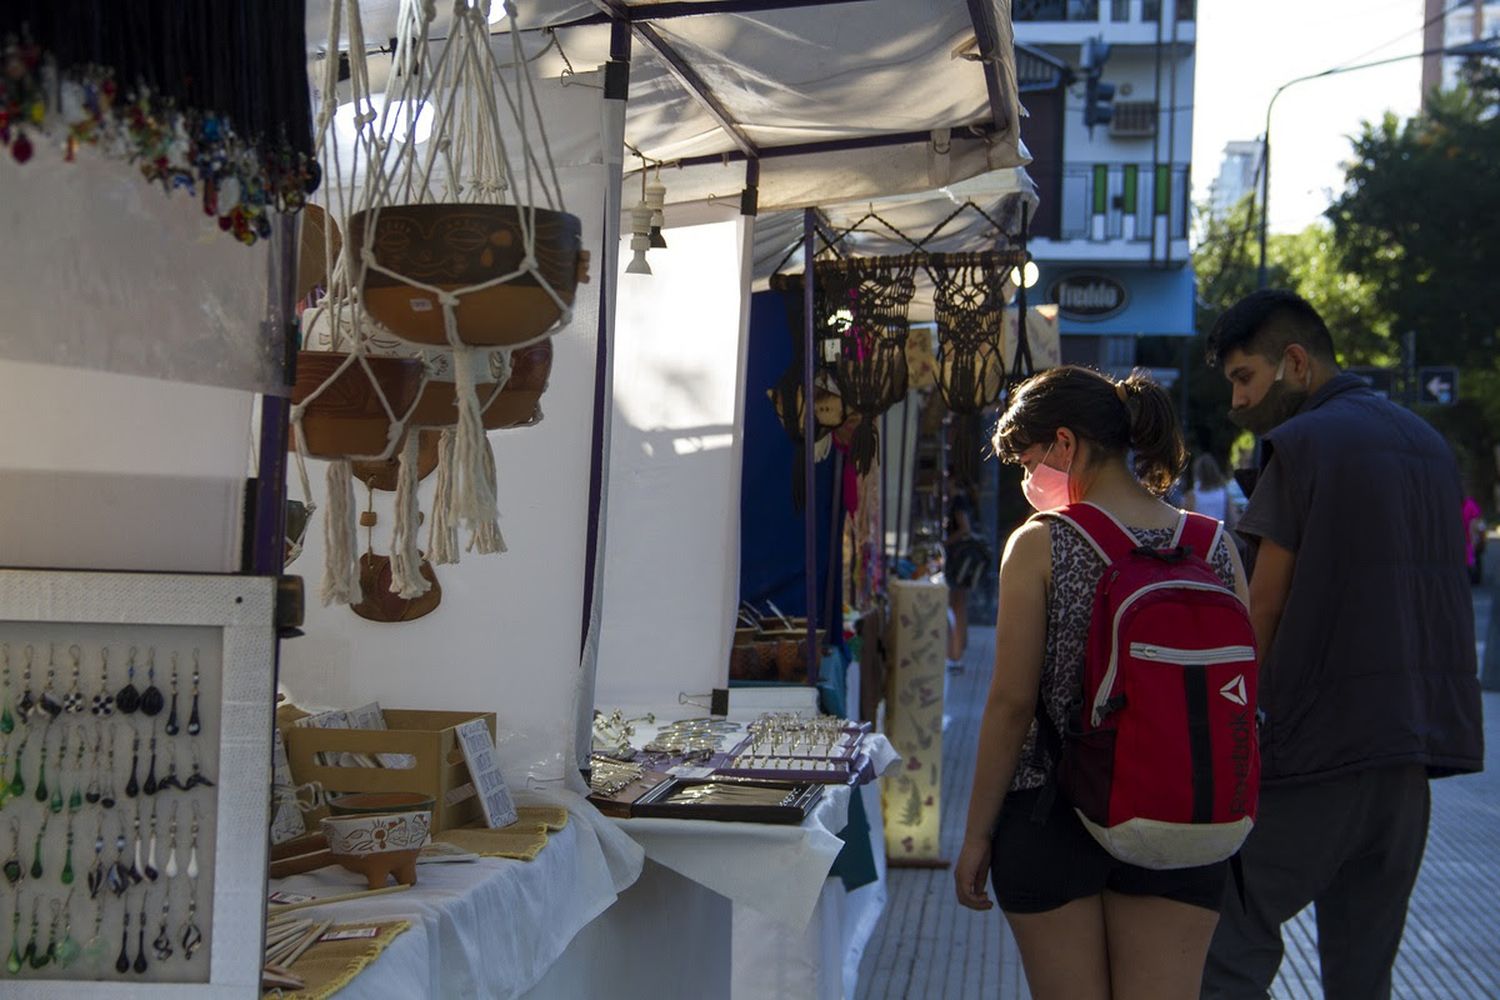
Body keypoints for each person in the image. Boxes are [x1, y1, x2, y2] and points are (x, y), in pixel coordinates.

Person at [1200, 289, 1484, 1000]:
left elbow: (1261, 610)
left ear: (1295, 363)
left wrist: (1224, 732)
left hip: (1316, 756)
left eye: (1244, 378)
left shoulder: (1303, 445)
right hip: (1408, 763)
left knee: (1225, 939)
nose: (1236, 402)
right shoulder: (1428, 445)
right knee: (1363, 977)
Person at [955, 366, 1249, 1000]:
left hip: (1052, 813)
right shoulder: (1214, 545)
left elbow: (1010, 706)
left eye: (1028, 459)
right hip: (1185, 816)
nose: (1028, 479)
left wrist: (976, 835)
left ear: (1066, 443)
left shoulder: (1040, 543)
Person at [944, 474, 988, 669]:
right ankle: (957, 650)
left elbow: (964, 528)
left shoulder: (958, 500)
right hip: (964, 560)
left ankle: (954, 653)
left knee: (956, 604)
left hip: (957, 559)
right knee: (959, 604)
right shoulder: (968, 500)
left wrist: (945, 542)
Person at [1184, 454, 1238, 534]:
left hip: (1199, 535)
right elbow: (1233, 518)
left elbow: (1185, 521)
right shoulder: (1224, 493)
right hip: (1219, 534)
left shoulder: (1192, 495)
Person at [1463, 489, 1486, 585]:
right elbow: (1479, 522)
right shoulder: (1470, 503)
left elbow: (1478, 521)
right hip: (1471, 541)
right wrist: (1482, 535)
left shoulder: (1469, 504)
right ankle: (1475, 577)